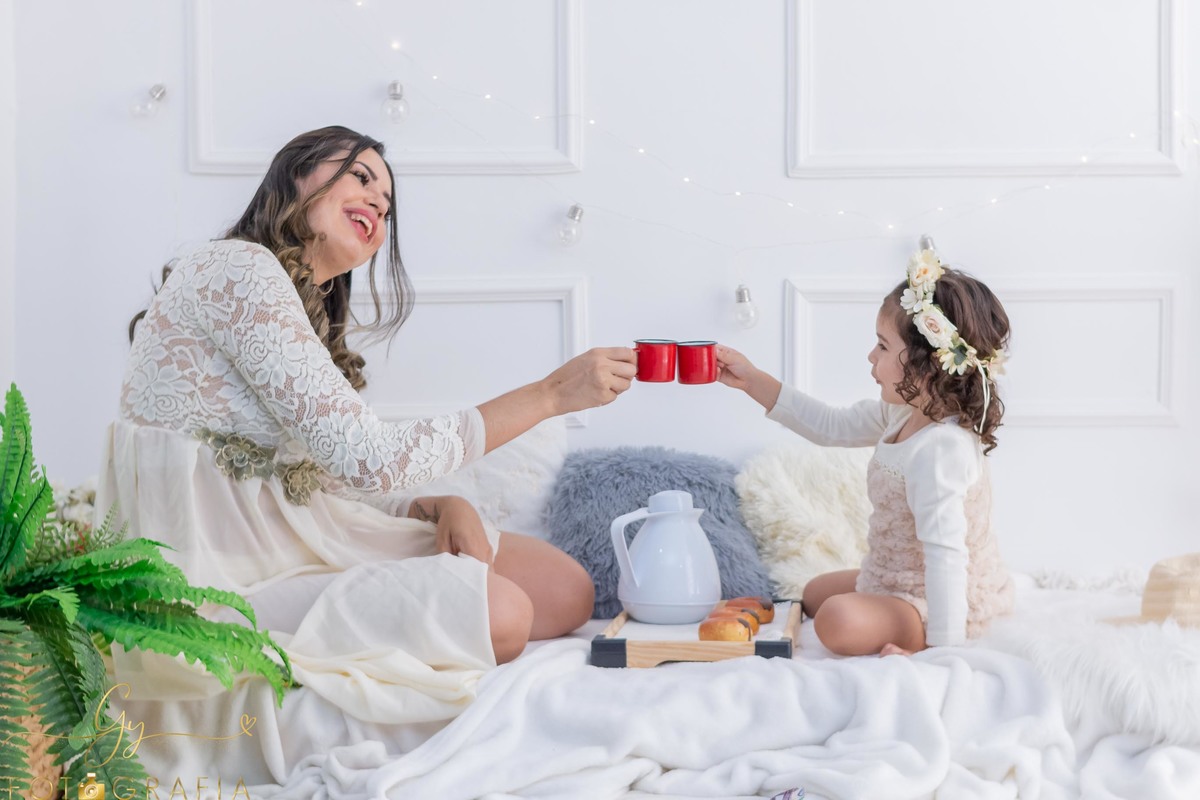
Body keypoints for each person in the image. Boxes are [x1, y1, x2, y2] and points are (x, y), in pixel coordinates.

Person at [101, 126, 636, 728]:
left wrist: (432, 506)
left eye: (387, 205)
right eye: (361, 177)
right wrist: (549, 395)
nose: (379, 206)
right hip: (225, 582)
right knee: (505, 613)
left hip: (299, 538)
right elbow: (368, 458)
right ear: (297, 174)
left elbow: (320, 478)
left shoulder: (288, 305)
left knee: (566, 589)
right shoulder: (236, 269)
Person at [716, 244, 1014, 656]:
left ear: (928, 364)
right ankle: (883, 608)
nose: (871, 356)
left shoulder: (941, 450)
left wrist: (943, 652)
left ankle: (927, 634)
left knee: (836, 619)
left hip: (943, 598)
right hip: (894, 576)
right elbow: (830, 425)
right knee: (814, 590)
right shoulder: (902, 412)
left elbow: (946, 557)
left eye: (883, 346)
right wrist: (752, 380)